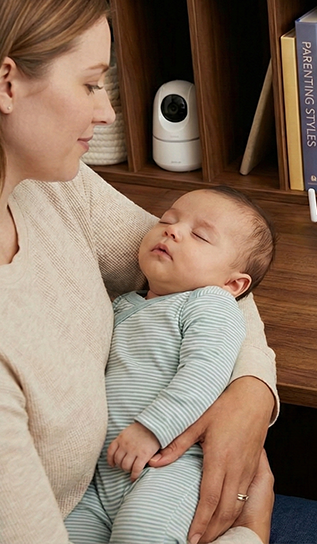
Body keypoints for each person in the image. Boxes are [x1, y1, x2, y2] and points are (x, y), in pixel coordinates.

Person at [0, 1, 317, 543]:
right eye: (91, 84)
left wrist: (250, 393)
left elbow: (208, 280)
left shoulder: (52, 187)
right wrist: (250, 535)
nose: (109, 113)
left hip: (153, 481)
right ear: (7, 82)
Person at [63, 186, 277, 543]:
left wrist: (151, 429)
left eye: (200, 235)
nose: (171, 230)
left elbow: (204, 373)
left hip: (168, 465)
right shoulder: (124, 305)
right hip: (100, 478)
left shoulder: (210, 304)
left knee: (138, 534)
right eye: (167, 219)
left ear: (233, 284)